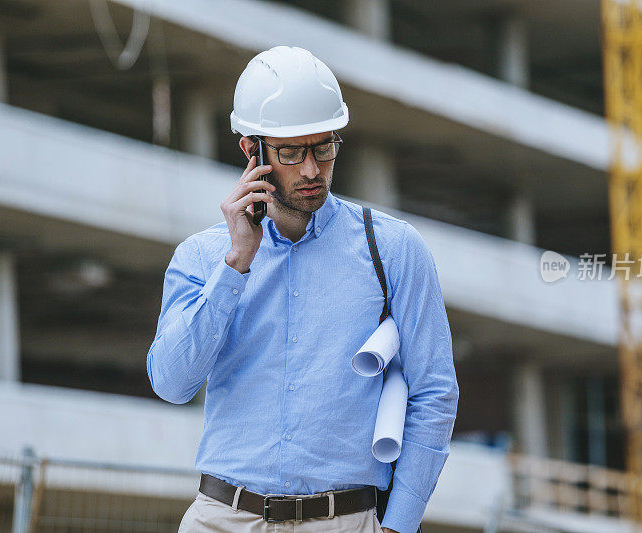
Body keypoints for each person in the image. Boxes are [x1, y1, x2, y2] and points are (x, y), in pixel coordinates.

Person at [147, 46, 459, 533]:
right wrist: (236, 266)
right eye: (291, 153)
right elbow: (171, 383)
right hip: (223, 519)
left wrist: (399, 525)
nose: (312, 170)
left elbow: (434, 392)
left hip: (344, 521)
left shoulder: (394, 250)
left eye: (324, 148)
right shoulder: (203, 257)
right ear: (252, 151)